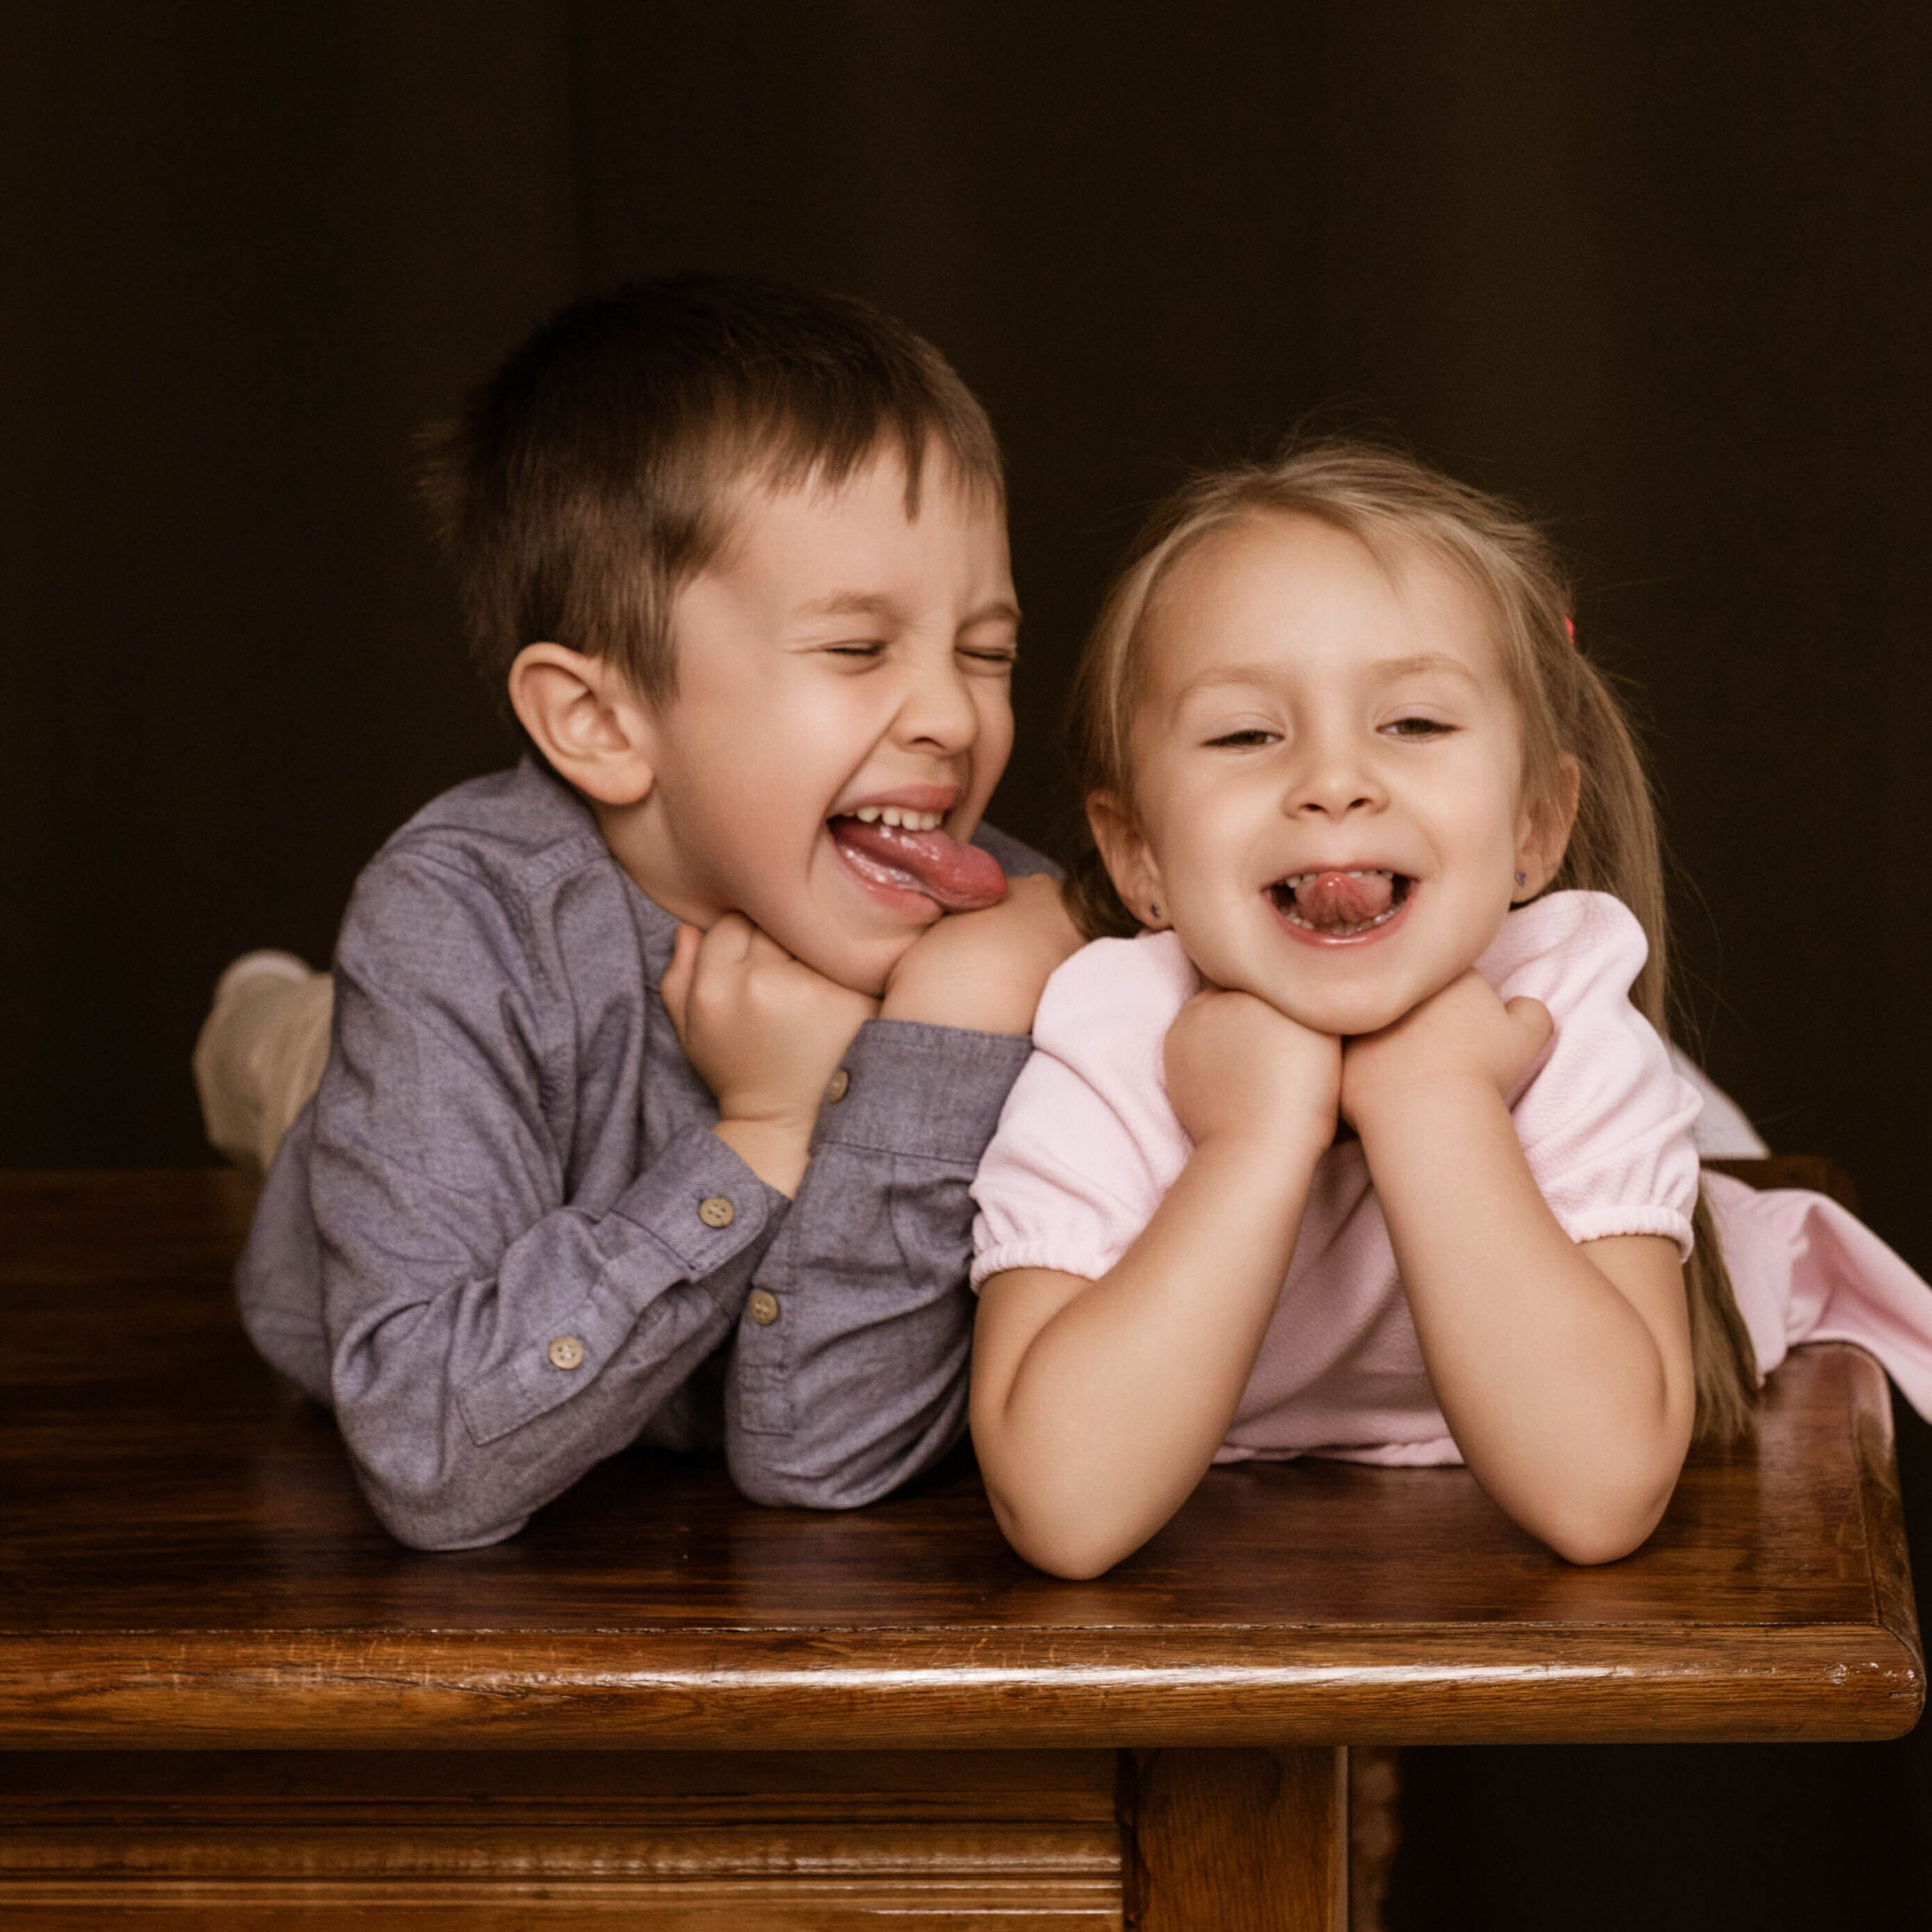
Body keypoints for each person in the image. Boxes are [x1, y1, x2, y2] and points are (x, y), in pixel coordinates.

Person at [199, 275, 1078, 1551]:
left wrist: (939, 1044)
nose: (953, 716)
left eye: (985, 652)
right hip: (398, 1071)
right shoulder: (460, 915)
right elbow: (433, 1458)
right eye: (856, 649)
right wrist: (761, 1138)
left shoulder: (1005, 940)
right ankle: (258, 1020)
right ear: (601, 724)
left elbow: (837, 1451)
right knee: (301, 1067)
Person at [968, 441, 1932, 1580]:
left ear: (1534, 831)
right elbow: (1065, 1513)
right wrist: (1253, 1140)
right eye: (1245, 734)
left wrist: (1439, 1102)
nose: (1334, 779)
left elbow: (1598, 1497)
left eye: (1414, 724)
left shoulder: (1562, 1016)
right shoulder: (1109, 1035)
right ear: (1140, 859)